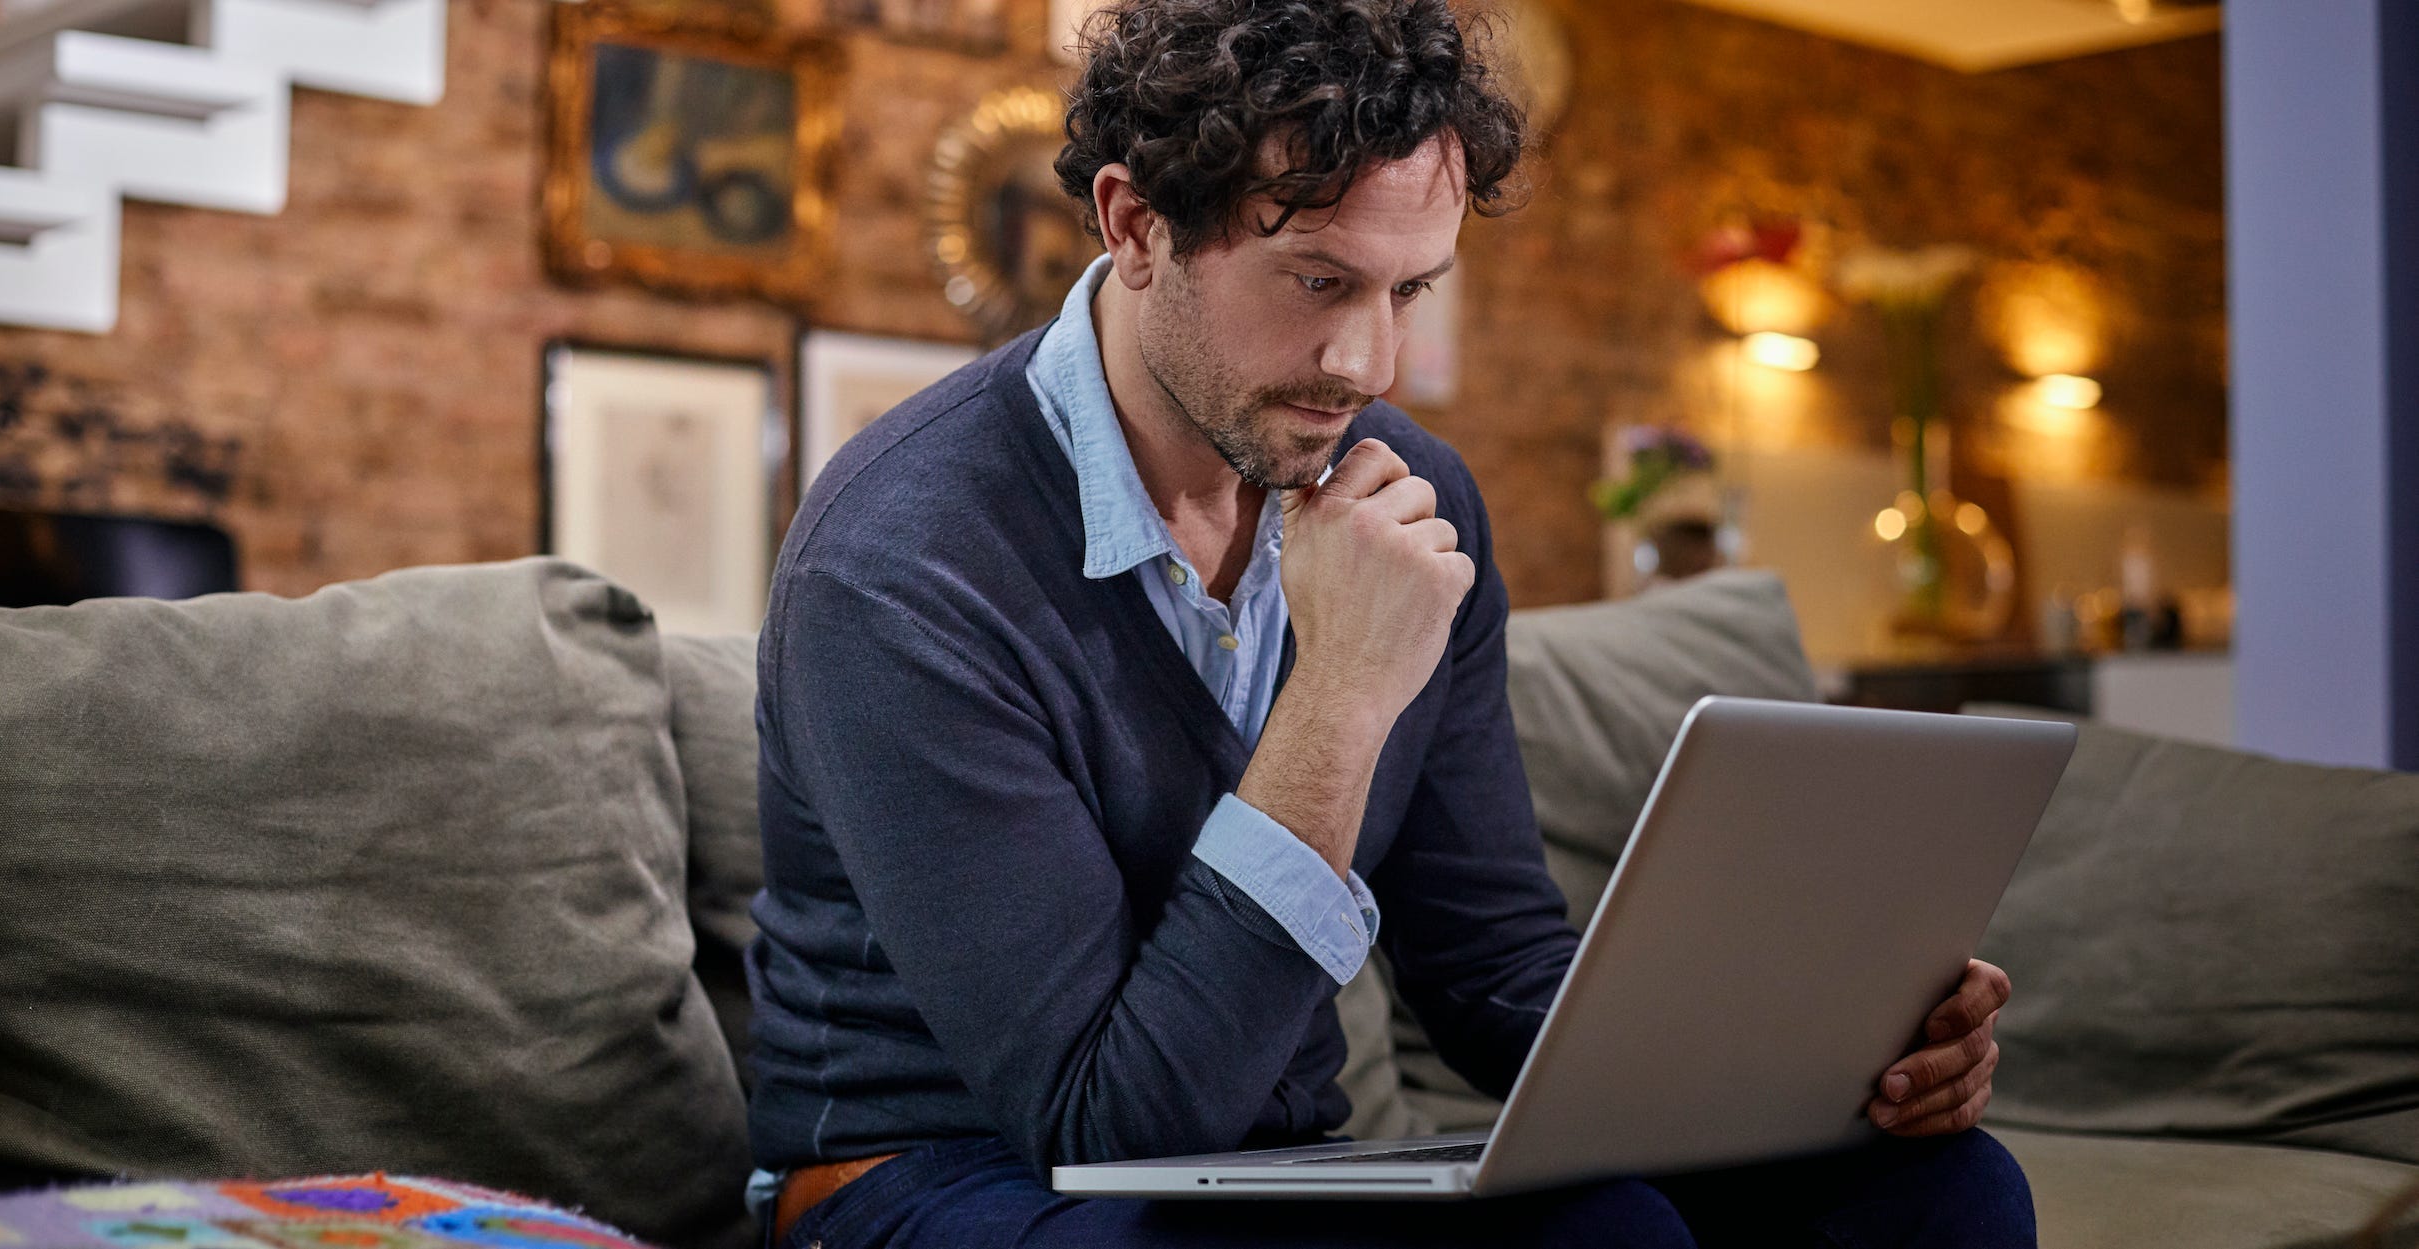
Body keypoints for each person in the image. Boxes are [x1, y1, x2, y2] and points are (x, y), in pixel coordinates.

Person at [743, 1, 2031, 1244]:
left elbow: (1488, 967)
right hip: (937, 1179)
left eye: (1411, 292)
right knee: (1597, 1240)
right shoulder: (903, 559)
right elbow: (1108, 1125)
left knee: (1938, 1191)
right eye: (1318, 279)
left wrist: (1817, 1053)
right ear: (1135, 225)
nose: (1368, 365)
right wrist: (1343, 694)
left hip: (1262, 1173)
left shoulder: (1417, 499)